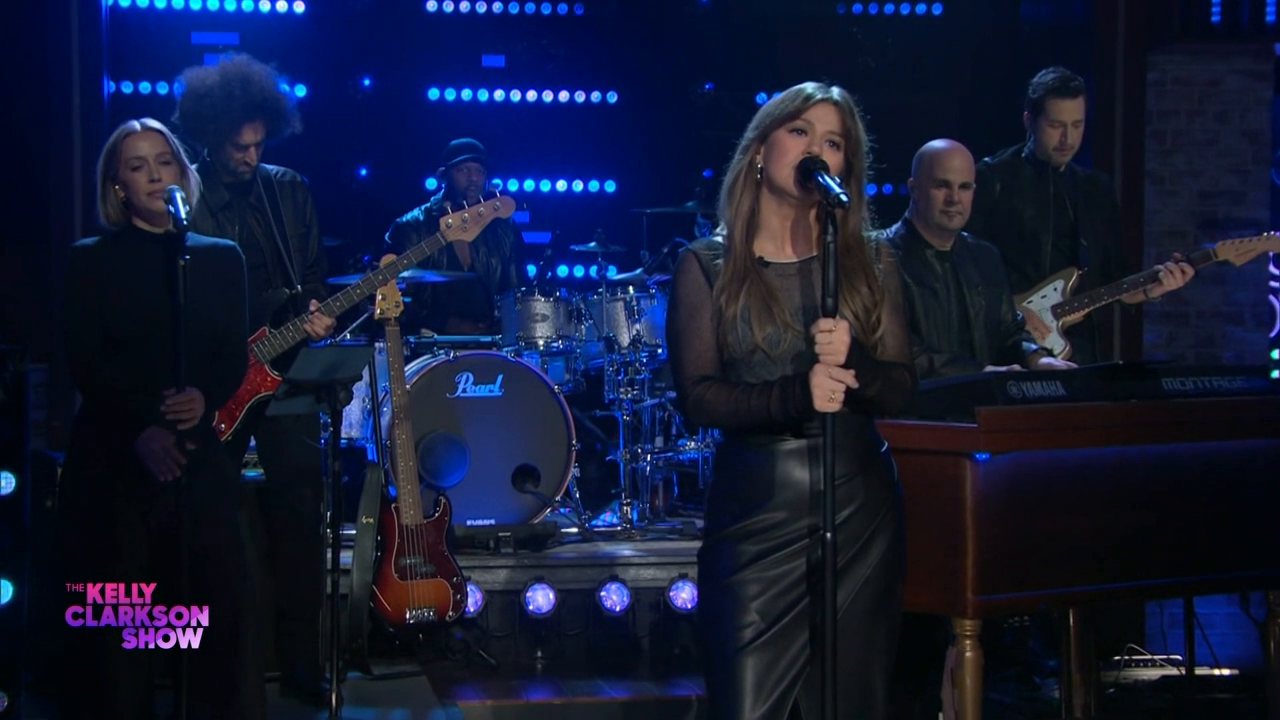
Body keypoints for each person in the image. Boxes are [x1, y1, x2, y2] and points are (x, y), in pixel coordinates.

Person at [668, 81, 918, 720]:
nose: (816, 150)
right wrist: (796, 393)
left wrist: (854, 363)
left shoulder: (875, 260)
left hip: (858, 504)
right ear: (760, 148)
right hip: (756, 508)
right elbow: (698, 397)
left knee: (852, 701)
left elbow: (901, 386)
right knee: (747, 703)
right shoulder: (707, 264)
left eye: (833, 142)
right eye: (800, 132)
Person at [57, 117, 264, 719]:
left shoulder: (219, 258)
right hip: (117, 466)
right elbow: (85, 361)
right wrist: (141, 429)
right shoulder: (91, 260)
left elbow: (230, 355)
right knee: (125, 634)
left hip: (196, 462)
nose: (154, 175)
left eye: (164, 161)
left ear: (182, 172)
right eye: (137, 165)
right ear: (117, 185)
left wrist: (205, 397)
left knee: (212, 617)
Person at [173, 52, 336, 706]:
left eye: (259, 144)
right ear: (210, 138)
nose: (250, 156)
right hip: (216, 380)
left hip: (288, 377)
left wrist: (316, 312)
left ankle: (300, 667)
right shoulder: (187, 198)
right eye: (238, 146)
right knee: (208, 519)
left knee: (301, 517)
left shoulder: (288, 189)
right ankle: (209, 669)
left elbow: (311, 278)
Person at [965, 66, 1194, 365]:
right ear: (1029, 121)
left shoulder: (1095, 189)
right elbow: (965, 270)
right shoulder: (992, 179)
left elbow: (1114, 281)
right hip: (1007, 348)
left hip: (1079, 352)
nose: (1068, 138)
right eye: (1056, 125)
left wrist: (1154, 289)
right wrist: (1011, 314)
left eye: (1077, 125)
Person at [880, 138, 1077, 379]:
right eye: (942, 186)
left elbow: (1009, 332)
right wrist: (978, 374)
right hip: (916, 402)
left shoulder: (985, 257)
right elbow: (898, 352)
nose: (954, 199)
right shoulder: (880, 257)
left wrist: (1037, 358)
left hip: (986, 400)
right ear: (914, 189)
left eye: (964, 187)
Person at [384, 137, 526, 335]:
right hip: (430, 342)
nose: (473, 178)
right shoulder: (411, 227)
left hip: (491, 342)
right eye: (463, 170)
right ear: (443, 176)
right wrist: (446, 324)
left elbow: (517, 292)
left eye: (480, 171)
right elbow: (394, 298)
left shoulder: (504, 229)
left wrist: (503, 326)